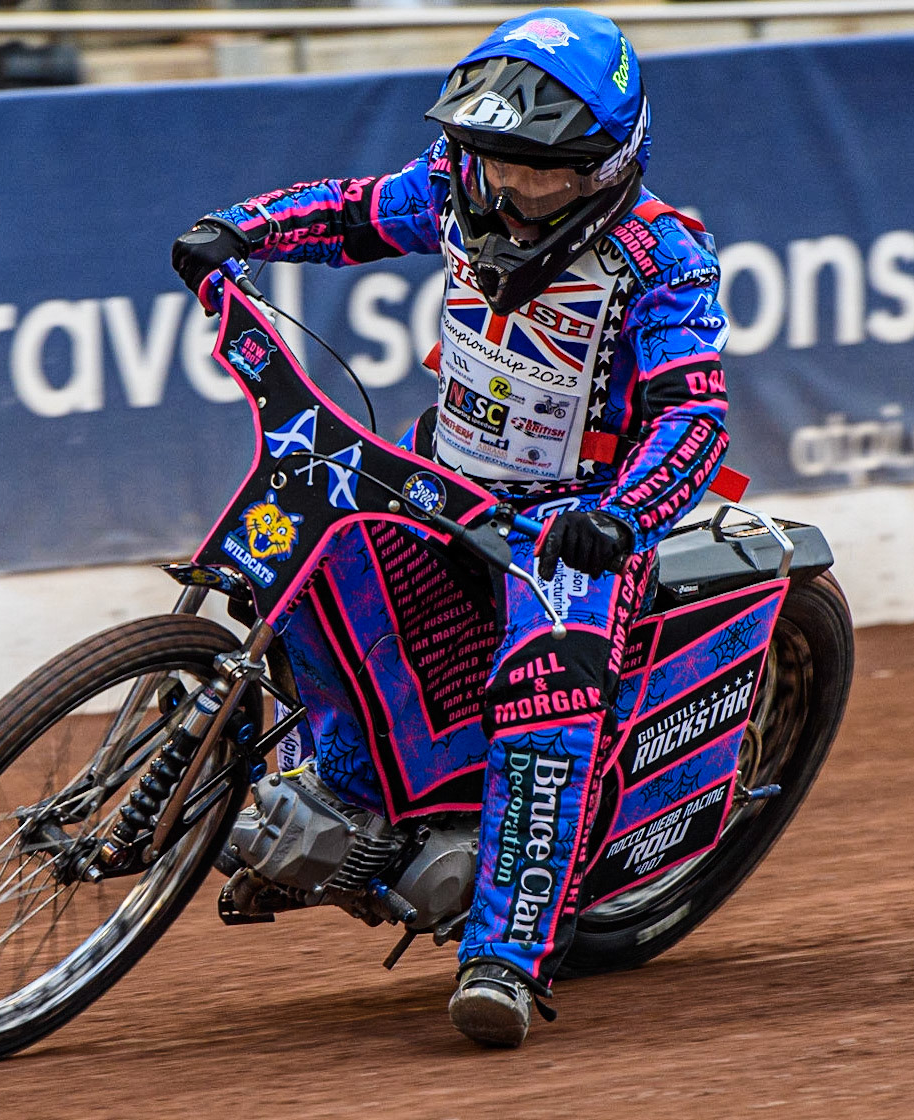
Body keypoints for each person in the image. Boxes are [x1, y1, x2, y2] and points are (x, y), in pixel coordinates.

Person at [171, 7, 730, 1048]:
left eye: (540, 176)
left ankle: (505, 957)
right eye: (494, 162)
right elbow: (350, 213)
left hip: (573, 520)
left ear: (608, 169)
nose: (508, 195)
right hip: (443, 472)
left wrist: (621, 518)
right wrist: (239, 230)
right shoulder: (451, 181)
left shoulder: (664, 260)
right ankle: (340, 800)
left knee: (550, 691)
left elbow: (695, 420)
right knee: (304, 562)